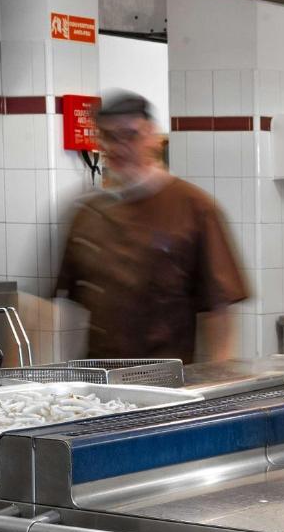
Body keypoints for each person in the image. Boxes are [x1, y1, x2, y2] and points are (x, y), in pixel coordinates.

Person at [56, 92, 248, 364]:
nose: (119, 146)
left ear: (153, 137)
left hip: (169, 383)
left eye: (130, 134)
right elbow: (70, 307)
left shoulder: (194, 207)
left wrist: (219, 377)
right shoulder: (85, 213)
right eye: (109, 137)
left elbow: (219, 309)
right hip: (99, 385)